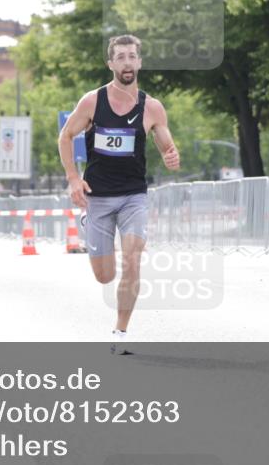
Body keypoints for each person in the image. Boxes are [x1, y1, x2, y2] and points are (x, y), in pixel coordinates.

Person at [58, 34, 180, 355]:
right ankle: (91, 226)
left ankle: (120, 332)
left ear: (139, 62)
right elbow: (66, 136)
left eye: (132, 56)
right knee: (104, 276)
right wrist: (73, 178)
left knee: (133, 259)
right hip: (98, 196)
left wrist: (170, 152)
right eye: (120, 57)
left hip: (133, 196)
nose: (127, 62)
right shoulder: (92, 102)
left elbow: (164, 140)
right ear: (111, 63)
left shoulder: (151, 107)